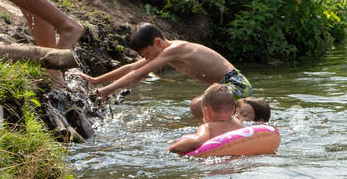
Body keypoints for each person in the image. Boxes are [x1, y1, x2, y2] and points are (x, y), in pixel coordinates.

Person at [88, 22, 268, 123]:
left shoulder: (176, 49)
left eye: (148, 54)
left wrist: (105, 92)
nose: (148, 58)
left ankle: (234, 123)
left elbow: (139, 74)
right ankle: (230, 122)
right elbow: (131, 68)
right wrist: (95, 81)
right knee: (200, 106)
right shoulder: (164, 52)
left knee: (198, 106)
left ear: (158, 42)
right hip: (225, 88)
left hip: (236, 85)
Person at [169, 84, 247, 154]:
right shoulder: (238, 124)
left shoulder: (208, 127)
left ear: (207, 112)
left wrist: (172, 148)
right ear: (233, 109)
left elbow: (198, 141)